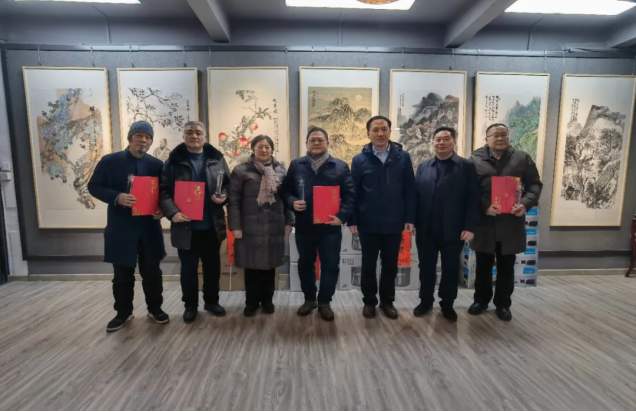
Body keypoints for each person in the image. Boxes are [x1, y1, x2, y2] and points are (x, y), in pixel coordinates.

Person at [88, 121, 169, 333]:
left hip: (149, 227)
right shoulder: (110, 161)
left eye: (148, 137)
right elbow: (93, 186)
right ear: (130, 138)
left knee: (152, 272)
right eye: (139, 135)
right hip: (121, 227)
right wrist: (117, 197)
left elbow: (164, 193)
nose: (143, 140)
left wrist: (162, 209)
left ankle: (155, 309)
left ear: (151, 142)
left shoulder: (157, 165)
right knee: (122, 274)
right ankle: (123, 313)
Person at [469, 123, 543, 322]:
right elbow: (468, 189)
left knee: (506, 267)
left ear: (509, 137)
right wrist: (484, 206)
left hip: (510, 221)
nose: (500, 138)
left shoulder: (522, 158)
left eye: (503, 134)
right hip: (485, 222)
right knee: (483, 266)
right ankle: (481, 301)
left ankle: (503, 304)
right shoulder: (475, 159)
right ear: (486, 139)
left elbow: (535, 184)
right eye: (495, 135)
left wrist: (525, 204)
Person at [160, 121, 230, 324]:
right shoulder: (173, 161)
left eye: (198, 132)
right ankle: (190, 306)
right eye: (189, 132)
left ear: (205, 137)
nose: (194, 136)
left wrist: (224, 196)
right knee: (188, 270)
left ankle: (211, 302)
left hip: (211, 226)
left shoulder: (217, 159)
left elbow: (228, 185)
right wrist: (172, 213)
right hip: (185, 226)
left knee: (212, 269)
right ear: (184, 136)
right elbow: (163, 191)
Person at [282, 127, 355, 322]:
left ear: (328, 143)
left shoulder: (340, 166)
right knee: (305, 264)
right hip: (304, 226)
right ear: (306, 144)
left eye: (320, 140)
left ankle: (324, 302)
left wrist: (342, 216)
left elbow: (350, 195)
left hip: (330, 227)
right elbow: (286, 191)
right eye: (312, 140)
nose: (316, 143)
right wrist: (292, 202)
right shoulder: (296, 165)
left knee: (330, 265)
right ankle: (309, 299)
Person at [350, 116, 416, 320]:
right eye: (375, 130)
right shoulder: (359, 160)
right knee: (368, 264)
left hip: (394, 222)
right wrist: (353, 219)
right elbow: (354, 192)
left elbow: (410, 189)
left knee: (390, 265)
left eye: (384, 129)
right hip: (367, 222)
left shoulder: (402, 157)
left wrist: (409, 217)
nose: (380, 133)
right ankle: (369, 302)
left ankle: (387, 301)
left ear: (389, 132)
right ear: (368, 134)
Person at [413, 127, 479, 323]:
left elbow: (473, 198)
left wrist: (470, 226)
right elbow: (416, 197)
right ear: (433, 142)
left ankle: (447, 304)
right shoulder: (424, 166)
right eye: (437, 139)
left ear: (454, 142)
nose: (441, 143)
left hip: (454, 229)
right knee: (426, 268)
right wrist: (412, 221)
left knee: (450, 268)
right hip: (426, 229)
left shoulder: (466, 166)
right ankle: (425, 301)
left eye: (446, 139)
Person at [228, 135, 294, 317]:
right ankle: (251, 302)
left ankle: (267, 300)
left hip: (274, 225)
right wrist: (235, 226)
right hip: (249, 226)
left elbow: (287, 199)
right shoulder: (241, 170)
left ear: (272, 149)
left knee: (270, 265)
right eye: (260, 147)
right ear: (253, 149)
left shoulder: (280, 170)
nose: (264, 150)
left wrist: (289, 221)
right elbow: (233, 201)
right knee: (251, 266)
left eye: (267, 147)